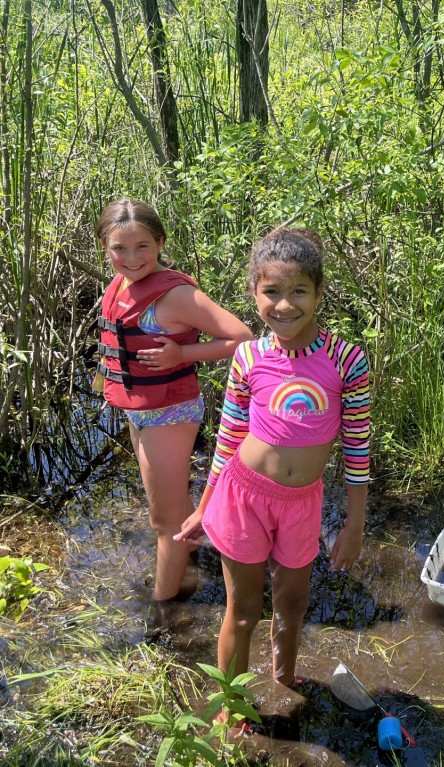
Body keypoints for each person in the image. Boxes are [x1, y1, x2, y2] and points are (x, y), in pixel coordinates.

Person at [174, 227, 370, 688]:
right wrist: (204, 506)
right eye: (272, 292)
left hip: (302, 502)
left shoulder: (346, 361)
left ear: (319, 294)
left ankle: (284, 681)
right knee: (242, 614)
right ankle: (231, 705)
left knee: (293, 605)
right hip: (244, 496)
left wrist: (355, 525)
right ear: (254, 293)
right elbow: (228, 438)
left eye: (299, 291)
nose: (284, 305)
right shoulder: (248, 356)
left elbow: (357, 447)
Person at [94, 199, 253, 605]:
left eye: (142, 246)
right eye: (119, 249)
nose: (131, 258)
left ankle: (163, 609)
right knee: (175, 506)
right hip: (140, 407)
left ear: (160, 242)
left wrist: (181, 355)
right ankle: (192, 559)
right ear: (104, 247)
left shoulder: (176, 295)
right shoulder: (122, 284)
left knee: (163, 520)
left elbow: (242, 337)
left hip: (169, 412)